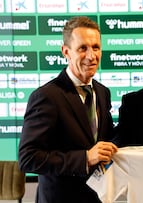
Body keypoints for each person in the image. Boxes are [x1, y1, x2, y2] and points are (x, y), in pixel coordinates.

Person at [18, 16, 118, 203]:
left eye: (96, 47)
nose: (91, 55)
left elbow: (103, 140)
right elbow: (28, 158)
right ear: (66, 51)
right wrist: (85, 158)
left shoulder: (102, 92)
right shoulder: (47, 96)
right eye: (82, 48)